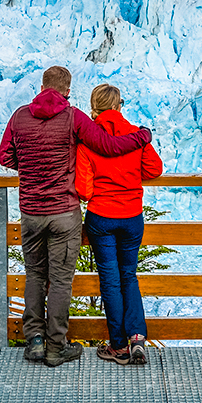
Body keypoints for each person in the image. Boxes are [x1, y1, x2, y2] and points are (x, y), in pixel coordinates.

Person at [0, 65, 151, 367]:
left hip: (30, 212)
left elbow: (5, 156)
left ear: (42, 88)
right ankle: (57, 346)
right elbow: (108, 145)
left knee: (35, 275)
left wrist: (31, 169)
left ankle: (36, 342)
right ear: (67, 91)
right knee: (60, 281)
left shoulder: (19, 117)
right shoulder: (73, 117)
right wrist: (141, 137)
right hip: (64, 213)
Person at [77, 84, 162, 365]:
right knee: (129, 276)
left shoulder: (89, 139)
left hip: (101, 218)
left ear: (95, 107)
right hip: (131, 217)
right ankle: (138, 337)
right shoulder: (136, 136)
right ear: (120, 105)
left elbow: (84, 189)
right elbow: (154, 169)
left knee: (110, 281)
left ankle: (117, 345)